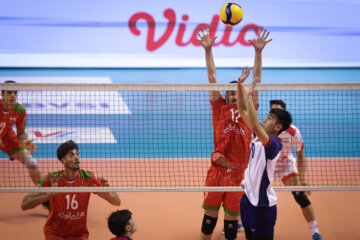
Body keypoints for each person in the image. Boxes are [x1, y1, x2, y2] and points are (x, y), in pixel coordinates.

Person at [196, 27, 272, 240]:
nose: (231, 96)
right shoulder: (218, 107)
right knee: (209, 221)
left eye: (235, 93)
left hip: (240, 173)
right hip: (218, 173)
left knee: (231, 227)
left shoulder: (249, 110)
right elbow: (212, 76)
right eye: (229, 93)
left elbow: (256, 78)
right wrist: (208, 50)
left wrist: (258, 53)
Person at [21, 140, 121, 240]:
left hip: (79, 235)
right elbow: (25, 204)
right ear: (62, 160)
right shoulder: (52, 179)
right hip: (54, 233)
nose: (76, 158)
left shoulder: (89, 178)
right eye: (71, 155)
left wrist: (107, 190)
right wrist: (50, 194)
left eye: (77, 154)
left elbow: (116, 202)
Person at [236, 69, 292, 240]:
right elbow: (242, 110)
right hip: (248, 200)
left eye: (269, 118)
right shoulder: (258, 138)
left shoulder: (274, 145)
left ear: (277, 127)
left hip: (263, 206)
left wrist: (248, 95)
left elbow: (254, 125)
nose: (265, 120)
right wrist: (239, 86)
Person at [269, 100, 323, 240]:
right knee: (251, 194)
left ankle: (315, 231)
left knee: (300, 196)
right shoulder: (264, 129)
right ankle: (240, 222)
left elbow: (300, 155)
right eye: (272, 112)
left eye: (278, 112)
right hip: (268, 165)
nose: (275, 114)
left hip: (286, 165)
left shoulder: (293, 132)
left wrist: (302, 179)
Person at [1, 80, 41, 184]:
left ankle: (43, 194)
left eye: (15, 92)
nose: (12, 96)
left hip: (7, 136)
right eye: (9, 93)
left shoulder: (20, 110)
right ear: (2, 94)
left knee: (33, 164)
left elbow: (21, 132)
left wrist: (23, 142)